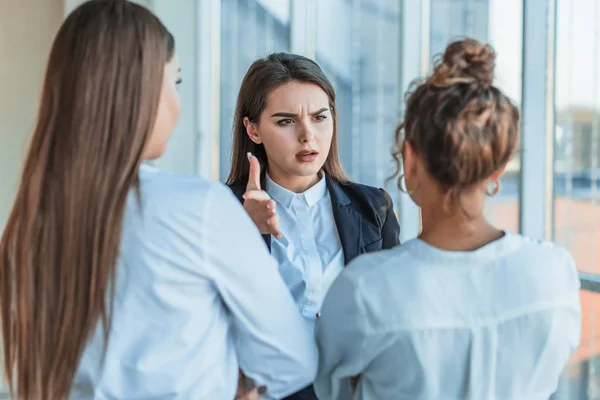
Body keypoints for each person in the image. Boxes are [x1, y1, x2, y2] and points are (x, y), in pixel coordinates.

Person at [0, 2, 316, 399]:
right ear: (140, 91)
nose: (177, 102)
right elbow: (292, 362)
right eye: (176, 81)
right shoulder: (201, 208)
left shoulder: (27, 229)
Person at [314, 39, 582, 400]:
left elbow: (330, 390)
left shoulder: (365, 291)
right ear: (498, 167)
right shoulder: (555, 273)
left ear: (410, 159)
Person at [226, 53, 401, 400]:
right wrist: (247, 233)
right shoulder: (223, 211)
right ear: (253, 129)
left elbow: (395, 317)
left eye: (320, 117)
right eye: (286, 121)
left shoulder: (373, 209)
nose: (308, 136)